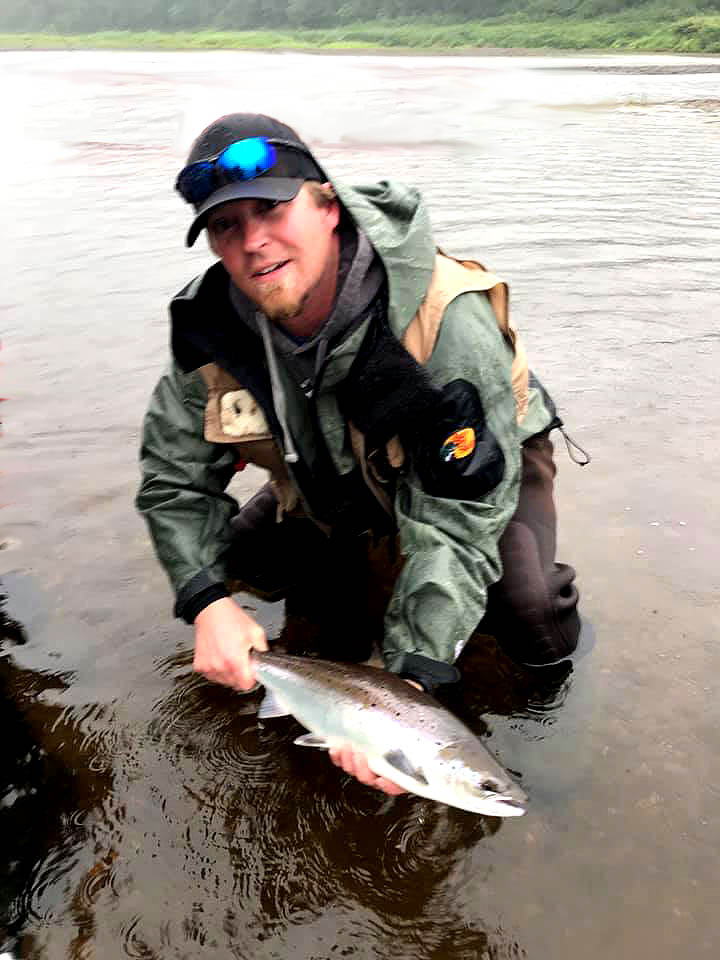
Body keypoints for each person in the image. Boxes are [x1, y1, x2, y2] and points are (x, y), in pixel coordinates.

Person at [136, 113, 584, 795]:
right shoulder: (212, 329)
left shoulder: (442, 318)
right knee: (236, 568)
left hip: (476, 469)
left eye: (271, 209)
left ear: (329, 207)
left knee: (532, 613)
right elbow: (173, 479)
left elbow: (459, 521)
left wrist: (413, 679)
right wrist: (206, 603)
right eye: (227, 226)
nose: (253, 242)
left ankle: (557, 743)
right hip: (332, 475)